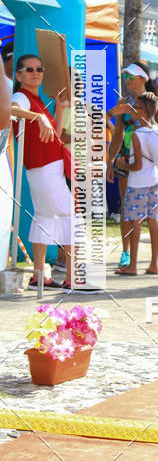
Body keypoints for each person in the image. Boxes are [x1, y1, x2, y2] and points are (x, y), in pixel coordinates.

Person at [10, 54, 72, 289]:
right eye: (29, 69)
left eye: (39, 68)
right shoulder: (21, 96)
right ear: (19, 75)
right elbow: (12, 109)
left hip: (48, 167)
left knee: (45, 219)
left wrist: (58, 109)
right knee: (70, 216)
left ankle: (39, 277)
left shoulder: (36, 100)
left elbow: (53, 135)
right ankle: (73, 277)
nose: (35, 72)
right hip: (43, 168)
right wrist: (40, 118)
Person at [106, 61, 158, 265]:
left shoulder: (155, 101)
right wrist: (111, 161)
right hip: (125, 158)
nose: (127, 81)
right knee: (127, 209)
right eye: (126, 77)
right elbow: (118, 134)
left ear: (142, 79)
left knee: (151, 213)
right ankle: (126, 253)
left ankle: (155, 258)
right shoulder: (124, 101)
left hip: (148, 161)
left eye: (131, 77)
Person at [114, 93, 158, 275]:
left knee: (135, 222)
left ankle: (132, 265)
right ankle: (154, 263)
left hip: (137, 182)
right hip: (154, 181)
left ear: (144, 112)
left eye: (136, 107)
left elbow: (137, 165)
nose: (132, 110)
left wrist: (122, 164)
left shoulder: (137, 135)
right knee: (154, 219)